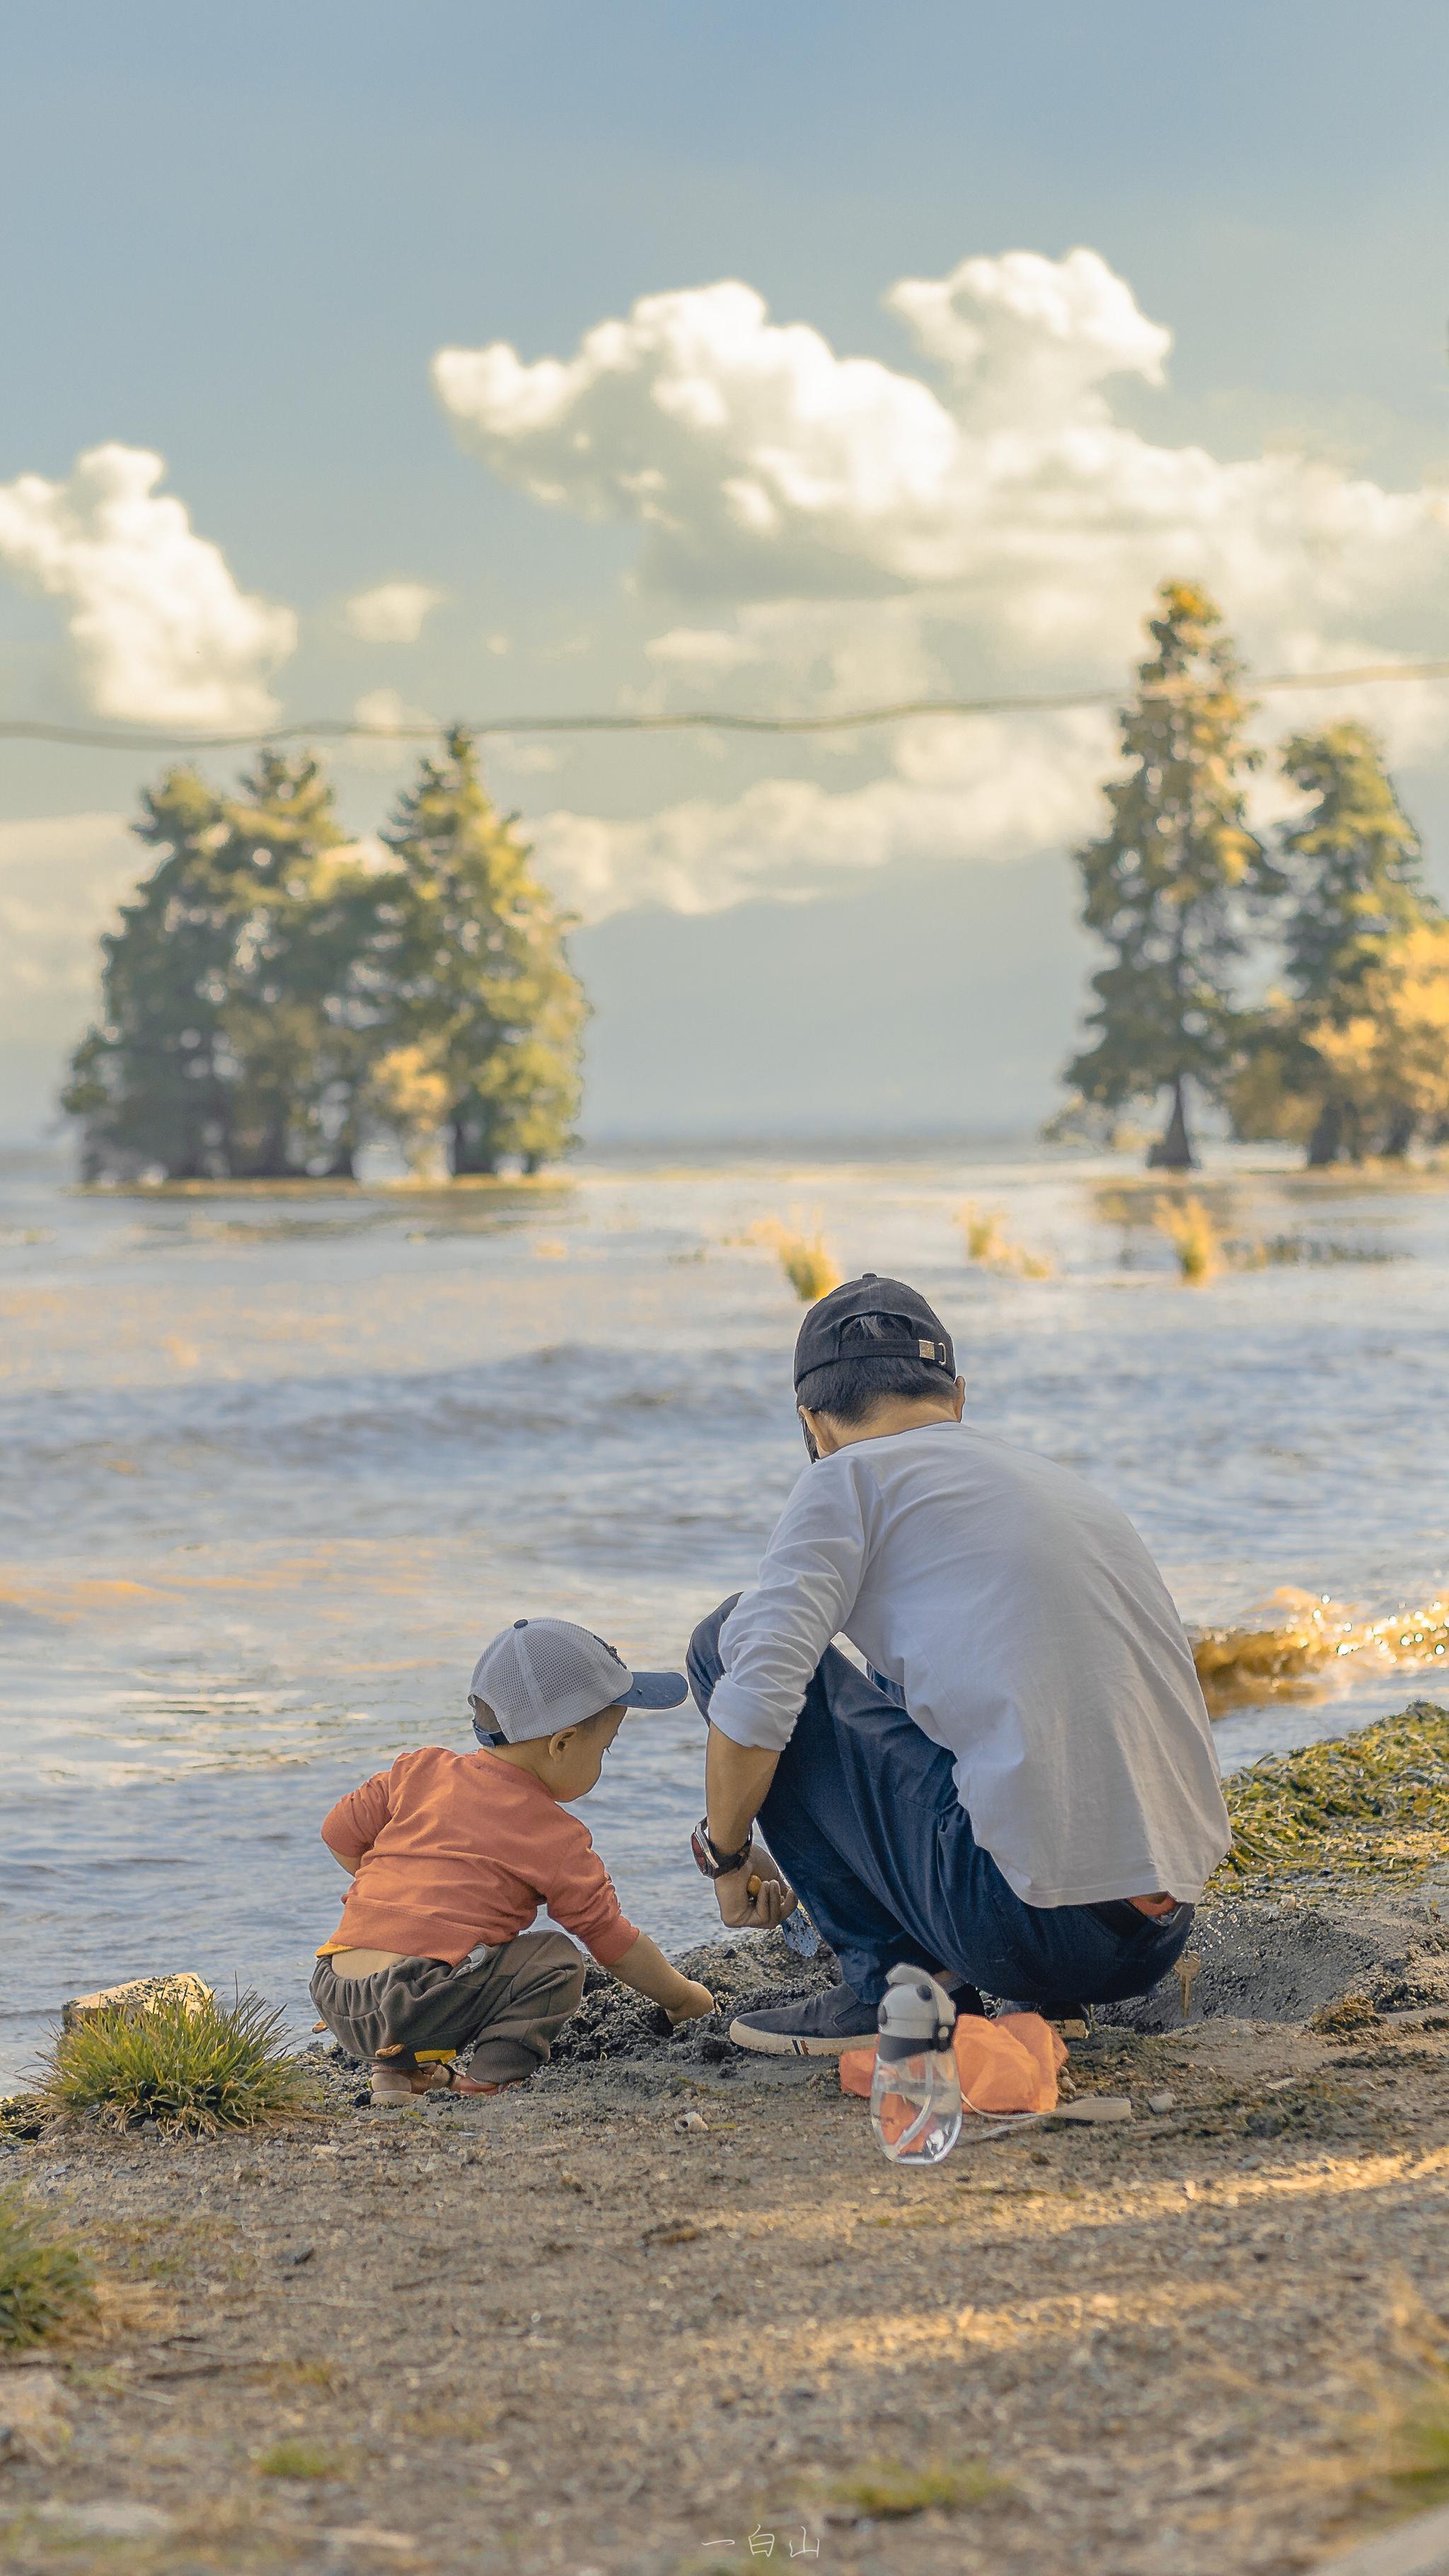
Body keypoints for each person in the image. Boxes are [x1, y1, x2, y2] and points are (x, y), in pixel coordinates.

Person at [685, 1274, 1230, 2054]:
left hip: (1029, 1926)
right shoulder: (1054, 1483)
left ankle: (898, 1986)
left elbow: (754, 1702)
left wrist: (726, 1854)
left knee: (728, 1636)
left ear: (813, 1423)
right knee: (925, 1663)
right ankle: (1039, 1999)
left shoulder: (844, 1476)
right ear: (958, 1399)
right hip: (1155, 1930)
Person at [312, 1617, 716, 2101]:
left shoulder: (418, 1770)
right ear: (562, 1744)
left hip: (335, 1987)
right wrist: (684, 1998)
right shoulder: (556, 1836)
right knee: (557, 1961)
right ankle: (489, 2078)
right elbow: (614, 1943)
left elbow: (337, 1833)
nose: (603, 1761)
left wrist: (404, 1895)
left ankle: (398, 2074)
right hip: (415, 1998)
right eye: (604, 1748)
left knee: (457, 1961)